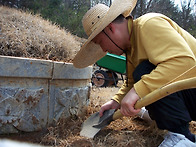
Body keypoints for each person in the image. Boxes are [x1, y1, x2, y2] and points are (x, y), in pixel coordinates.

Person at [73, 0, 196, 146]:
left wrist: (137, 91)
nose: (104, 50)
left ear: (110, 29)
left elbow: (184, 63)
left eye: (100, 42)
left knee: (143, 72)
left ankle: (182, 138)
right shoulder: (131, 48)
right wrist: (116, 101)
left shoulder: (149, 24)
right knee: (142, 73)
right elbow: (132, 82)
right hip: (189, 94)